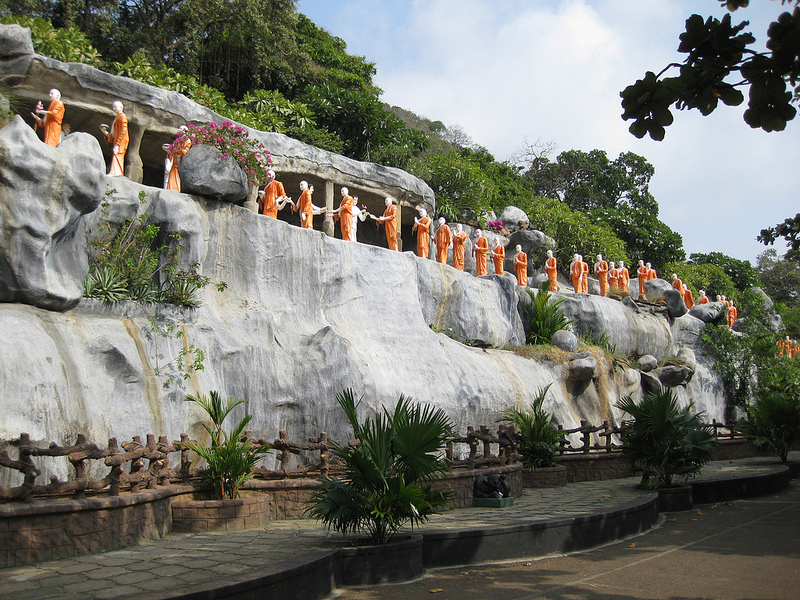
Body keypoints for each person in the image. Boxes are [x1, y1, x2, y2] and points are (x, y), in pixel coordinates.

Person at [100, 101, 129, 177]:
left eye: (116, 107)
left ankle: (116, 172)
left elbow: (124, 130)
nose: (114, 108)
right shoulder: (117, 118)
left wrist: (118, 143)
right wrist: (104, 132)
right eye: (113, 107)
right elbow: (112, 136)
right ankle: (115, 172)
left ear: (121, 107)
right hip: (117, 140)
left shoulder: (122, 116)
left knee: (117, 154)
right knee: (116, 154)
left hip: (121, 140)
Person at [163, 126, 190, 192]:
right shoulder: (178, 140)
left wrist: (175, 150)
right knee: (169, 174)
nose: (179, 130)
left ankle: (175, 189)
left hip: (180, 162)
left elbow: (184, 152)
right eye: (179, 128)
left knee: (176, 176)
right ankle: (169, 188)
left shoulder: (187, 141)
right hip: (173, 160)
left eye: (181, 129)